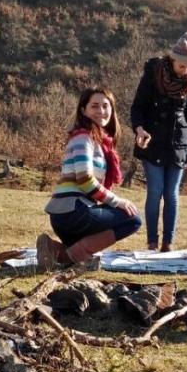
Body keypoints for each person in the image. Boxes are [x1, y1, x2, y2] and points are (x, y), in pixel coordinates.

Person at [36, 87, 142, 270]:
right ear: (84, 110)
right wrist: (117, 201)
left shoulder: (97, 140)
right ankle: (77, 256)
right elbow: (85, 180)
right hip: (74, 211)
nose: (101, 111)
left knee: (94, 233)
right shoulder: (83, 138)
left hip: (64, 216)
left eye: (105, 106)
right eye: (95, 106)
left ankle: (57, 250)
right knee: (132, 220)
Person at [129, 32, 187, 251]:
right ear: (172, 60)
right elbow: (137, 106)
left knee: (171, 193)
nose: (185, 70)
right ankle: (152, 242)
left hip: (179, 142)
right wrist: (139, 129)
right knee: (155, 190)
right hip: (152, 140)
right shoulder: (154, 73)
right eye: (182, 66)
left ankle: (167, 243)